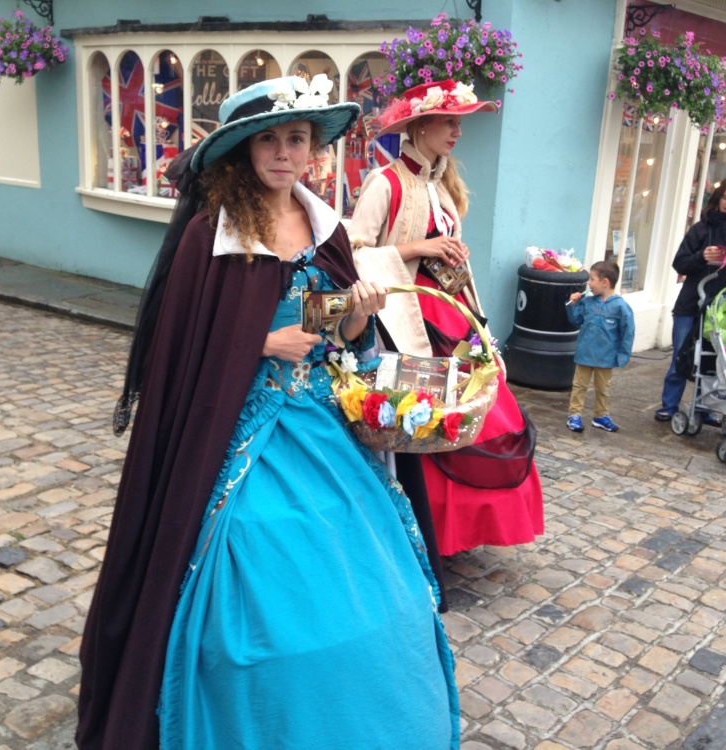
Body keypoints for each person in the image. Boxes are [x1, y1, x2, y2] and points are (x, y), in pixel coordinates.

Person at [76, 75, 458, 750]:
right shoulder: (210, 235)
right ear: (244, 149)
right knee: (258, 571)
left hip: (322, 425)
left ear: (313, 148)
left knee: (372, 587)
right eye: (270, 140)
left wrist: (356, 316)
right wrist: (258, 341)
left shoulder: (324, 226)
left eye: (298, 139)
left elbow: (326, 327)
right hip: (239, 429)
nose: (285, 153)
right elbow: (183, 342)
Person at [348, 78, 544, 558]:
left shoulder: (443, 188)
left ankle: (459, 533)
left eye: (460, 122)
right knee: (424, 416)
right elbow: (351, 254)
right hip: (403, 322)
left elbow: (443, 255)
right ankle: (426, 534)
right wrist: (420, 247)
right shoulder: (385, 182)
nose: (458, 131)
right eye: (450, 121)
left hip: (452, 317)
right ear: (420, 125)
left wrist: (455, 258)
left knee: (476, 411)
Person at [656, 176, 726, 422]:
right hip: (691, 304)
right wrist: (701, 257)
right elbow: (679, 262)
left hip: (725, 309)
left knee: (715, 359)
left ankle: (704, 408)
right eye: (725, 198)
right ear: (717, 200)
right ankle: (669, 406)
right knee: (681, 356)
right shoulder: (701, 228)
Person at [564, 260, 635, 433]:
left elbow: (628, 332)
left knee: (603, 388)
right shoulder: (587, 302)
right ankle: (574, 414)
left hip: (606, 356)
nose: (589, 283)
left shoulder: (620, 307)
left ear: (605, 282)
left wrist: (623, 356)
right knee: (579, 386)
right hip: (584, 353)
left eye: (592, 279)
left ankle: (600, 415)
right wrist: (572, 304)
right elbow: (575, 320)